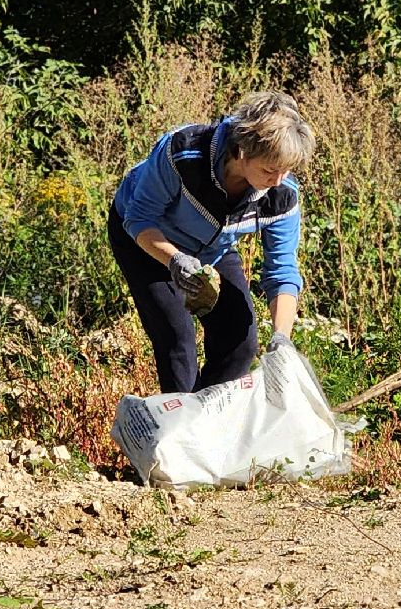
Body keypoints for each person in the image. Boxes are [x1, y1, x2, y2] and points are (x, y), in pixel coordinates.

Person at [107, 91, 312, 394]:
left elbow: (282, 270)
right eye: (270, 170)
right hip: (146, 239)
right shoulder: (183, 153)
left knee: (241, 341)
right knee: (177, 338)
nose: (279, 180)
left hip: (211, 248)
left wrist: (282, 338)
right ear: (242, 151)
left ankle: (209, 420)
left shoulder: (282, 195)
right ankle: (182, 428)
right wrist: (175, 260)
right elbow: (139, 218)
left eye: (286, 170)